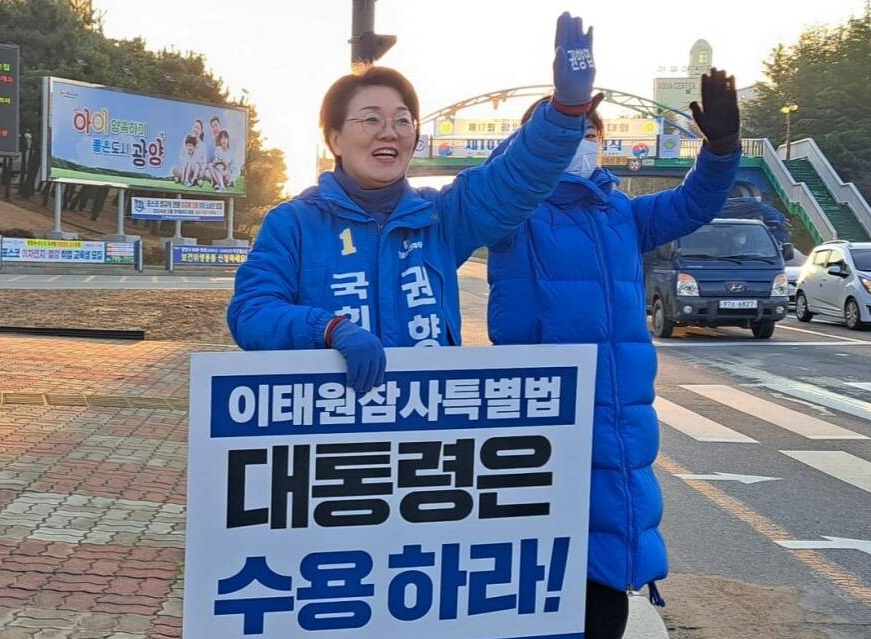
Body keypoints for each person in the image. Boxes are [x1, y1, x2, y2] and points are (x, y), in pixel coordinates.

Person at [485, 68, 742, 639]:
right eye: (570, 130)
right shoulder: (511, 215)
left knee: (605, 579)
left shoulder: (621, 213)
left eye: (591, 129)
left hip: (618, 428)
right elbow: (489, 183)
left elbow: (694, 201)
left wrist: (720, 151)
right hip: (538, 426)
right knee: (536, 578)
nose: (586, 139)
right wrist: (556, 117)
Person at [227, 12, 598, 397]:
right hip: (329, 437)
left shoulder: (443, 217)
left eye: (403, 121)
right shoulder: (293, 225)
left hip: (424, 434)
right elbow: (251, 313)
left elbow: (514, 177)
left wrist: (567, 110)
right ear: (334, 140)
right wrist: (327, 328)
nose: (390, 131)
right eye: (371, 119)